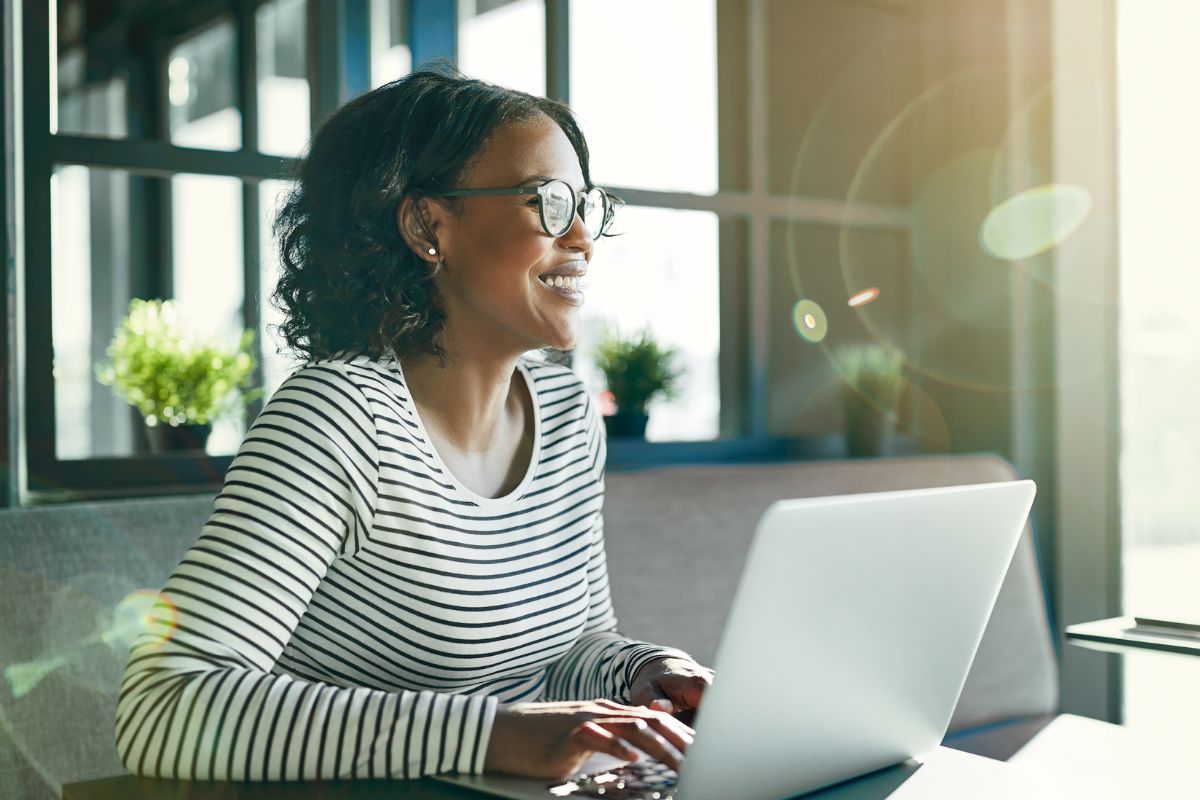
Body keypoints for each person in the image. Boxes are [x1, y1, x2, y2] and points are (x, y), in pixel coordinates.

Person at [114, 66, 713, 783]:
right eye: (549, 203)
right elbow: (163, 703)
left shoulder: (566, 415)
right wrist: (492, 735)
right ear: (428, 227)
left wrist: (644, 672)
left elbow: (568, 648)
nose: (583, 237)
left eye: (586, 204)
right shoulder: (335, 420)